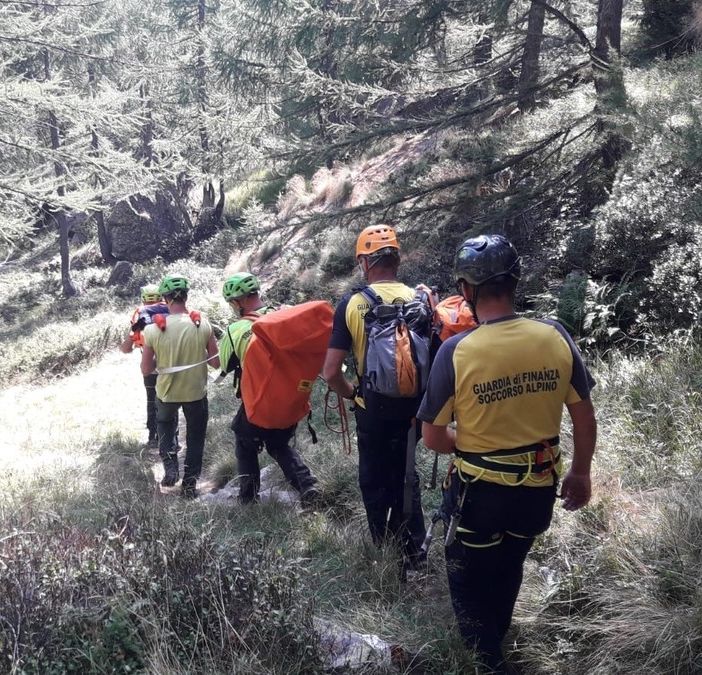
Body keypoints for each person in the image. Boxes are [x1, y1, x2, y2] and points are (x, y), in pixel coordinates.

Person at [417, 234, 597, 672]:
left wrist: (471, 444)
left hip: (479, 496)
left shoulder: (456, 351)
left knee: (467, 579)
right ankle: (497, 636)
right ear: (516, 280)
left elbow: (433, 437)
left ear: (466, 289)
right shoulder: (554, 335)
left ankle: (488, 661)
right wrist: (581, 473)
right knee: (510, 563)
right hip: (538, 490)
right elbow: (584, 416)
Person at [322, 224, 426, 566]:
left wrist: (353, 394)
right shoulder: (420, 299)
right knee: (406, 474)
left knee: (374, 479)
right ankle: (415, 551)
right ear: (397, 259)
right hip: (414, 409)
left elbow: (331, 372)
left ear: (365, 262)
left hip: (373, 408)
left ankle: (385, 553)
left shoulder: (352, 304)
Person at [218, 272, 319, 506]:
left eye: (232, 302)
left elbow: (225, 365)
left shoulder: (236, 329)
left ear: (239, 301)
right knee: (278, 443)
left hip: (259, 398)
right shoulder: (286, 315)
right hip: (291, 397)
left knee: (244, 441)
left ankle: (248, 497)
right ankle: (307, 485)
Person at [141, 274, 220, 497]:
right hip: (196, 393)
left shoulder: (153, 330)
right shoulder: (202, 324)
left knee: (165, 428)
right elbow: (215, 363)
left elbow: (146, 369)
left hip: (166, 393)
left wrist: (163, 358)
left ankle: (171, 470)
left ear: (166, 299)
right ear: (186, 297)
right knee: (195, 438)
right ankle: (190, 485)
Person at [119, 284, 168, 447]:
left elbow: (126, 349)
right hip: (172, 366)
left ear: (143, 299)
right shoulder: (172, 313)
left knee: (152, 400)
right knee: (170, 401)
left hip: (150, 368)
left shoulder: (140, 317)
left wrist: (133, 333)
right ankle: (171, 438)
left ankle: (153, 437)